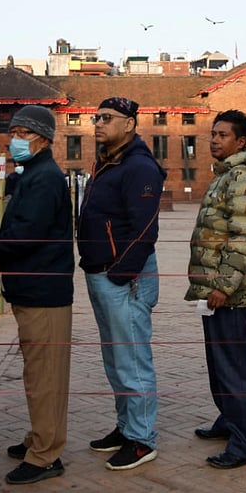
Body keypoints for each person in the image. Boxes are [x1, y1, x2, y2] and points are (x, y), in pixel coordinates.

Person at [0, 106, 74, 485]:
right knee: (37, 372)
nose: (14, 139)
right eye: (13, 131)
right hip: (31, 287)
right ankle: (40, 436)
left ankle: (46, 455)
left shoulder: (45, 178)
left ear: (43, 139)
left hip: (43, 291)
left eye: (23, 132)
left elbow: (25, 235)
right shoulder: (32, 174)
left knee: (45, 377)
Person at [76, 96, 166, 471]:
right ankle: (127, 427)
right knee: (116, 360)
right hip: (103, 273)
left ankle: (142, 440)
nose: (98, 123)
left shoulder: (139, 166)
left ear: (129, 123)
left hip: (122, 278)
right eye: (96, 117)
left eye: (108, 118)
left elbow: (146, 229)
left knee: (132, 361)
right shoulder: (107, 162)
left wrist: (119, 273)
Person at [185, 110, 246, 469]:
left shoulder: (244, 178)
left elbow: (243, 237)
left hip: (233, 295)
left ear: (241, 142)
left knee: (235, 368)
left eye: (223, 135)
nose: (215, 140)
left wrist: (223, 285)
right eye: (213, 134)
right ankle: (229, 420)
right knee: (220, 364)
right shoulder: (225, 176)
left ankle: (244, 444)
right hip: (217, 292)